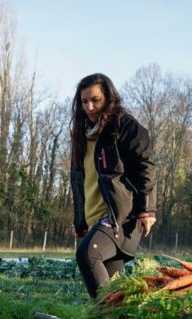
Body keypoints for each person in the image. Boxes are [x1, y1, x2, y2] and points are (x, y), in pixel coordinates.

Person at [70, 73, 157, 299]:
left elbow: (144, 167)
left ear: (109, 98)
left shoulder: (124, 127)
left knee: (87, 255)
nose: (89, 107)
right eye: (84, 101)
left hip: (119, 218)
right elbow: (81, 183)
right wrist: (80, 221)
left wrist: (147, 210)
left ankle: (101, 318)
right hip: (94, 219)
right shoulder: (83, 136)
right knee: (114, 291)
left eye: (95, 100)